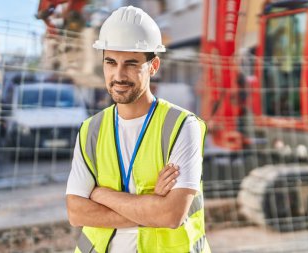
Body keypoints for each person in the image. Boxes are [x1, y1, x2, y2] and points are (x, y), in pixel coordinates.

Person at [66, 5, 210, 253]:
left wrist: (101, 195)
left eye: (131, 64)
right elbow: (76, 212)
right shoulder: (90, 130)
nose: (118, 75)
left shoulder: (182, 126)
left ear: (153, 66)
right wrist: (150, 205)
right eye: (110, 62)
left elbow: (170, 215)